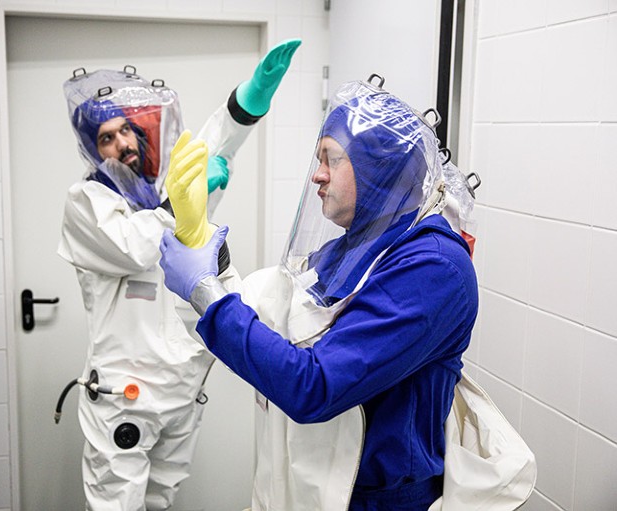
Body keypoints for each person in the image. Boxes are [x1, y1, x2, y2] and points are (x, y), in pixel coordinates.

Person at [158, 79, 480, 510]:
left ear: (378, 167)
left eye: (332, 158)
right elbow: (268, 318)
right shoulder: (353, 248)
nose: (317, 174)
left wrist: (207, 296)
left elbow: (315, 385)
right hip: (310, 479)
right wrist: (200, 246)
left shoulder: (432, 268)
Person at [57, 39, 301, 511]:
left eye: (125, 131)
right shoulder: (87, 202)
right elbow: (136, 248)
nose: (121, 144)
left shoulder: (161, 189)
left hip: (180, 389)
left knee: (162, 501)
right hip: (124, 396)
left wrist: (247, 101)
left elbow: (206, 144)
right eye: (105, 137)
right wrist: (183, 204)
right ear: (92, 148)